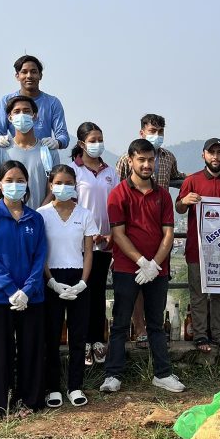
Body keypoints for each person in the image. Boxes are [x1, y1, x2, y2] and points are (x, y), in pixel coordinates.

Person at [101, 138, 186, 394]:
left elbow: (168, 234)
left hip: (158, 269)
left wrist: (154, 265)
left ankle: (163, 373)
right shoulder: (118, 194)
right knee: (120, 322)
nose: (147, 164)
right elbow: (119, 233)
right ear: (131, 161)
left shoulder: (162, 195)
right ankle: (113, 375)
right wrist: (140, 261)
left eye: (151, 160)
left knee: (156, 323)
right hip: (128, 268)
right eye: (142, 159)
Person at [0, 160, 48, 417]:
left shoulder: (36, 218)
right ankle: (3, 404)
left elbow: (40, 256)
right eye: (9, 180)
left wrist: (27, 290)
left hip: (32, 298)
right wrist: (9, 289)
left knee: (31, 349)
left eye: (20, 180)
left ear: (27, 184)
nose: (14, 185)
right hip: (0, 298)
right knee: (2, 351)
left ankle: (30, 402)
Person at [114, 114, 185, 349]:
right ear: (142, 131)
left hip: (160, 223)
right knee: (135, 282)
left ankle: (154, 337)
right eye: (152, 130)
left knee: (154, 281)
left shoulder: (168, 158)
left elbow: (176, 178)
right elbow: (120, 189)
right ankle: (140, 328)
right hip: (132, 227)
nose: (157, 135)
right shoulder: (127, 159)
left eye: (161, 131)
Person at [175, 138, 220, 352]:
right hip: (197, 249)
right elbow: (178, 208)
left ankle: (219, 335)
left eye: (219, 152)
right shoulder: (192, 181)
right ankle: (200, 336)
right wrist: (185, 201)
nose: (215, 156)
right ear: (203, 155)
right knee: (198, 295)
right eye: (211, 152)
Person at [40, 164, 99, 407]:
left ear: (75, 185)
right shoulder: (41, 214)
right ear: (51, 185)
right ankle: (53, 387)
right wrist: (51, 281)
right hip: (51, 277)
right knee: (51, 335)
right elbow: (40, 252)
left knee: (78, 335)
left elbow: (88, 252)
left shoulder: (84, 214)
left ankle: (75, 386)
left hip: (77, 277)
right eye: (59, 183)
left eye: (68, 182)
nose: (64, 187)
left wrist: (84, 282)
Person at [70, 122, 116, 366]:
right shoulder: (73, 171)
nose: (97, 143)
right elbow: (70, 204)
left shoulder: (110, 172)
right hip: (80, 242)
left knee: (98, 291)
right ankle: (83, 342)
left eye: (100, 138)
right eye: (92, 139)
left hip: (104, 242)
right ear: (81, 144)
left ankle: (98, 339)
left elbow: (116, 204)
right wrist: (89, 233)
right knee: (81, 291)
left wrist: (110, 234)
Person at [0, 54, 69, 174]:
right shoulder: (6, 101)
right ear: (17, 76)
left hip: (42, 161)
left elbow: (63, 135)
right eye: (24, 72)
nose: (29, 76)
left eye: (33, 72)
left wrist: (57, 142)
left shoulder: (52, 103)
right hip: (14, 161)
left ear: (40, 75)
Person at [0, 95, 50, 210]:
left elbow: (52, 188)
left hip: (41, 219)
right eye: (16, 112)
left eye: (27, 111)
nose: (22, 115)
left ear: (34, 116)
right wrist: (7, 213)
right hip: (9, 219)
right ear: (10, 117)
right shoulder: (0, 150)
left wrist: (40, 215)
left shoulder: (48, 151)